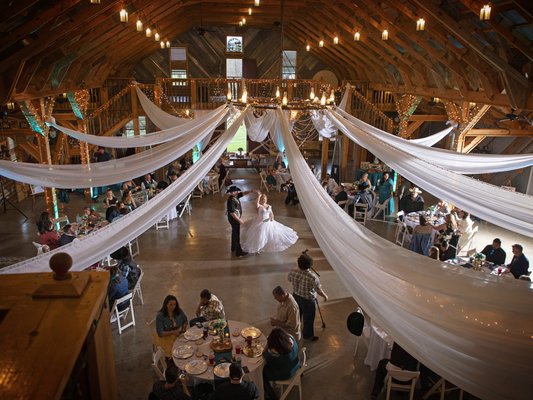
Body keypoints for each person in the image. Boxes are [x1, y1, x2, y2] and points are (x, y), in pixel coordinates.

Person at [288, 250, 328, 341]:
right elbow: (318, 289)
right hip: (307, 301)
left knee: (297, 315)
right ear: (310, 265)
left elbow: (289, 279)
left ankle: (295, 331)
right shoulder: (312, 277)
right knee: (308, 319)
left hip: (296, 296)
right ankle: (307, 336)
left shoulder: (293, 271)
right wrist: (325, 296)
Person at [262, 328, 300, 399]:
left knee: (262, 374)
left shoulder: (275, 353)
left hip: (285, 374)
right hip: (295, 366)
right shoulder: (291, 339)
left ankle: (272, 396)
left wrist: (267, 345)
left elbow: (264, 355)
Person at [226, 186, 257, 257]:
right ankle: (239, 252)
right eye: (231, 192)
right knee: (236, 234)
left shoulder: (236, 196)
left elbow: (244, 193)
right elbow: (232, 213)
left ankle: (233, 248)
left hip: (235, 218)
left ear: (236, 192)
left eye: (233, 191)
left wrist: (252, 190)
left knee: (234, 232)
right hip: (234, 219)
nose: (232, 193)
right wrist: (239, 220)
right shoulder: (231, 200)